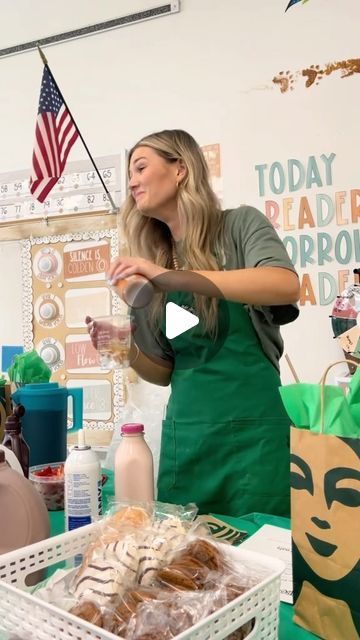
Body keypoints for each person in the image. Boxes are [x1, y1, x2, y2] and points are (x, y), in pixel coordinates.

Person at [88, 129, 300, 518]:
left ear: (180, 169)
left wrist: (169, 279)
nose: (131, 181)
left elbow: (284, 284)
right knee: (184, 566)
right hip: (187, 443)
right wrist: (124, 349)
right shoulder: (151, 262)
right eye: (128, 174)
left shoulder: (238, 227)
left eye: (140, 167)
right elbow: (163, 370)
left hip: (257, 436)